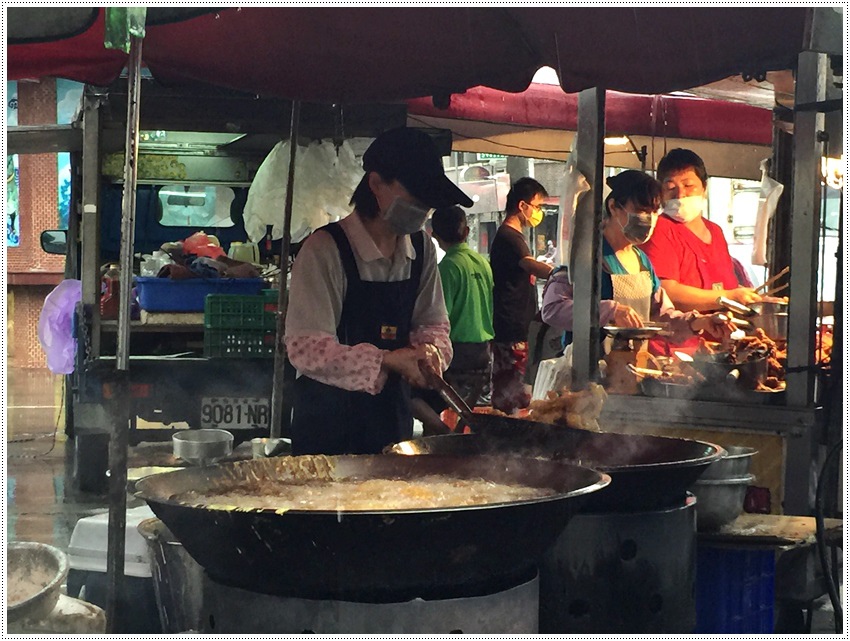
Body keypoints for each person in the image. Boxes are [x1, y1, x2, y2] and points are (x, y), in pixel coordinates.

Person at [284, 127, 472, 455]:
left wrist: (430, 355)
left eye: (427, 202)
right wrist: (387, 360)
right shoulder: (324, 250)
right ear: (375, 184)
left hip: (392, 426)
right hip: (327, 431)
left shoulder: (421, 247)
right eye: (414, 196)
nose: (421, 209)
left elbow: (434, 324)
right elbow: (306, 348)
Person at [541, 170, 732, 354]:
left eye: (654, 212)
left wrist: (701, 322)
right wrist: (609, 311)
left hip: (631, 370)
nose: (649, 219)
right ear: (614, 207)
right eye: (641, 211)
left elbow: (663, 316)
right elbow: (552, 309)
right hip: (587, 373)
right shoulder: (585, 257)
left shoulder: (642, 261)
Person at [641, 148, 763, 311]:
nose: (680, 195)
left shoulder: (716, 231)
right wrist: (728, 297)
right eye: (671, 188)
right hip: (680, 334)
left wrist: (747, 297)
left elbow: (726, 285)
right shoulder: (659, 229)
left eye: (688, 185)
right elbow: (666, 292)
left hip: (722, 332)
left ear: (704, 188)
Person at [411, 205, 494, 433]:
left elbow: (435, 319)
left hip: (457, 354)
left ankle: (441, 432)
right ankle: (449, 434)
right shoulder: (483, 263)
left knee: (407, 392)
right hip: (483, 352)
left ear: (434, 235)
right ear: (466, 232)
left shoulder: (446, 268)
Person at [489, 177, 554, 413]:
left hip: (515, 322)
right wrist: (560, 275)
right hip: (511, 324)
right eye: (536, 206)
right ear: (522, 206)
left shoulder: (513, 236)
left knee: (514, 387)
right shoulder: (509, 236)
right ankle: (505, 435)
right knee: (510, 390)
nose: (538, 212)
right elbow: (529, 264)